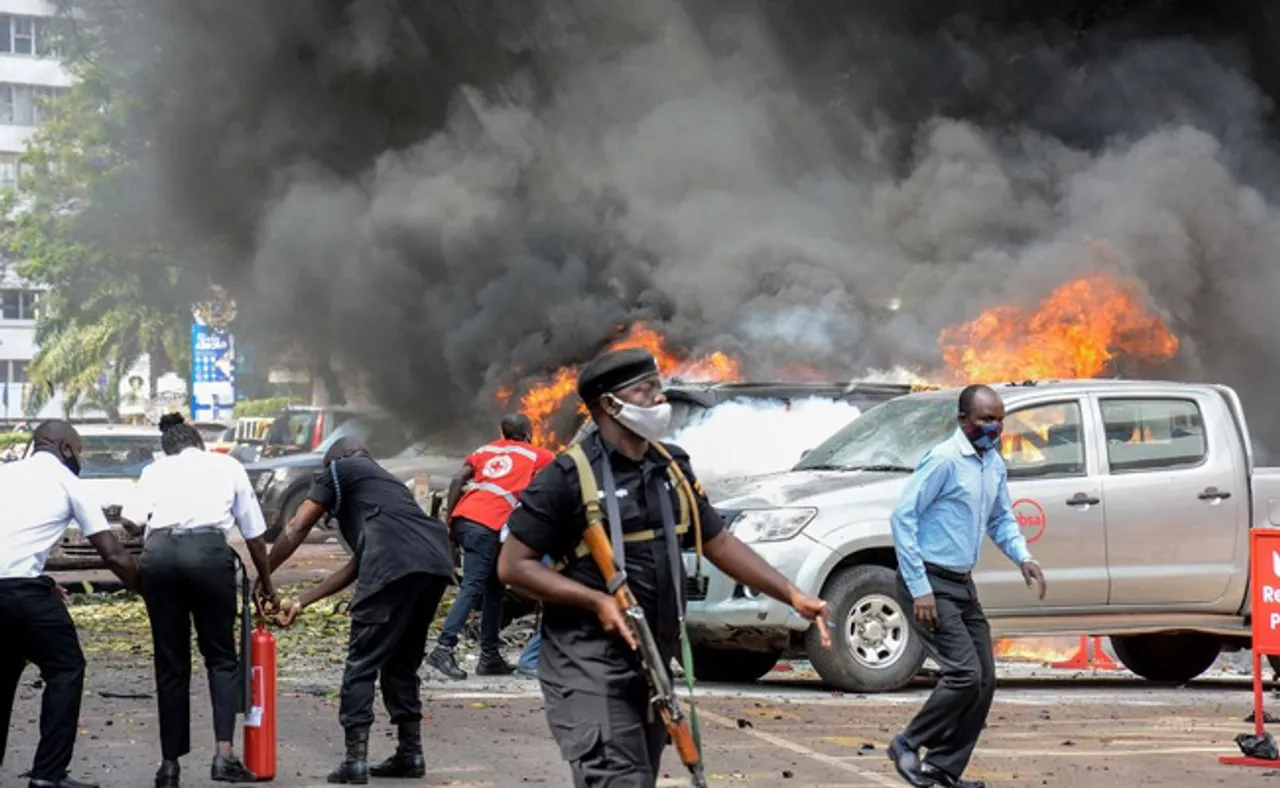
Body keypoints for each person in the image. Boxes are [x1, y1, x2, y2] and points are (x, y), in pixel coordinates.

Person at [499, 347, 833, 786]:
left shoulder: (671, 467)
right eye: (645, 391)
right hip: (587, 659)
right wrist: (596, 600)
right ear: (609, 404)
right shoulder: (566, 477)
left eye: (658, 387)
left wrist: (791, 594)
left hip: (654, 657)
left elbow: (719, 541)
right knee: (619, 778)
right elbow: (513, 565)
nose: (660, 400)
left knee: (639, 774)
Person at [262, 435, 455, 784]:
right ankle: (410, 754)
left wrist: (264, 578)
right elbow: (358, 564)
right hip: (434, 562)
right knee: (400, 661)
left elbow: (296, 526)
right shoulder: (388, 486)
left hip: (396, 563)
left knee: (362, 663)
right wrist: (301, 602)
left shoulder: (340, 468)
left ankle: (355, 760)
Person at [886, 384, 1048, 788]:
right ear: (963, 420)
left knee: (984, 680)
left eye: (999, 419)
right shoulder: (943, 460)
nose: (994, 428)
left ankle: (944, 768)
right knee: (963, 674)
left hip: (961, 583)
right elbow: (902, 518)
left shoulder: (992, 464)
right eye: (985, 419)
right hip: (930, 583)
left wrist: (1023, 557)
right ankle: (907, 744)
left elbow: (1001, 519)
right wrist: (919, 587)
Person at [120, 414, 276, 787]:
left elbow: (131, 520)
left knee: (171, 662)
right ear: (198, 443)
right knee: (221, 657)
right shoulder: (228, 465)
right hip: (208, 556)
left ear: (167, 447)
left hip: (160, 557)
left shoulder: (156, 470)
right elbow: (254, 534)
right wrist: (267, 583)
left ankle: (170, 765)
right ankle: (224, 756)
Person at [0, 420, 142, 788]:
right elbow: (112, 553)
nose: (80, 457)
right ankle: (48, 775)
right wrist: (149, 589)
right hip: (25, 596)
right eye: (79, 451)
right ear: (65, 449)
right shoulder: (69, 483)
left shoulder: (5, 474)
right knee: (66, 668)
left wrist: (42, 579)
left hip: (19, 588)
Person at [428, 413, 554, 680]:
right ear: (529, 433)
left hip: (466, 518)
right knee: (473, 586)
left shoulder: (485, 449)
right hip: (487, 525)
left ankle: (489, 657)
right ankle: (443, 648)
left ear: (503, 432)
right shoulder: (538, 455)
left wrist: (451, 522)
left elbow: (456, 481)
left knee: (494, 590)